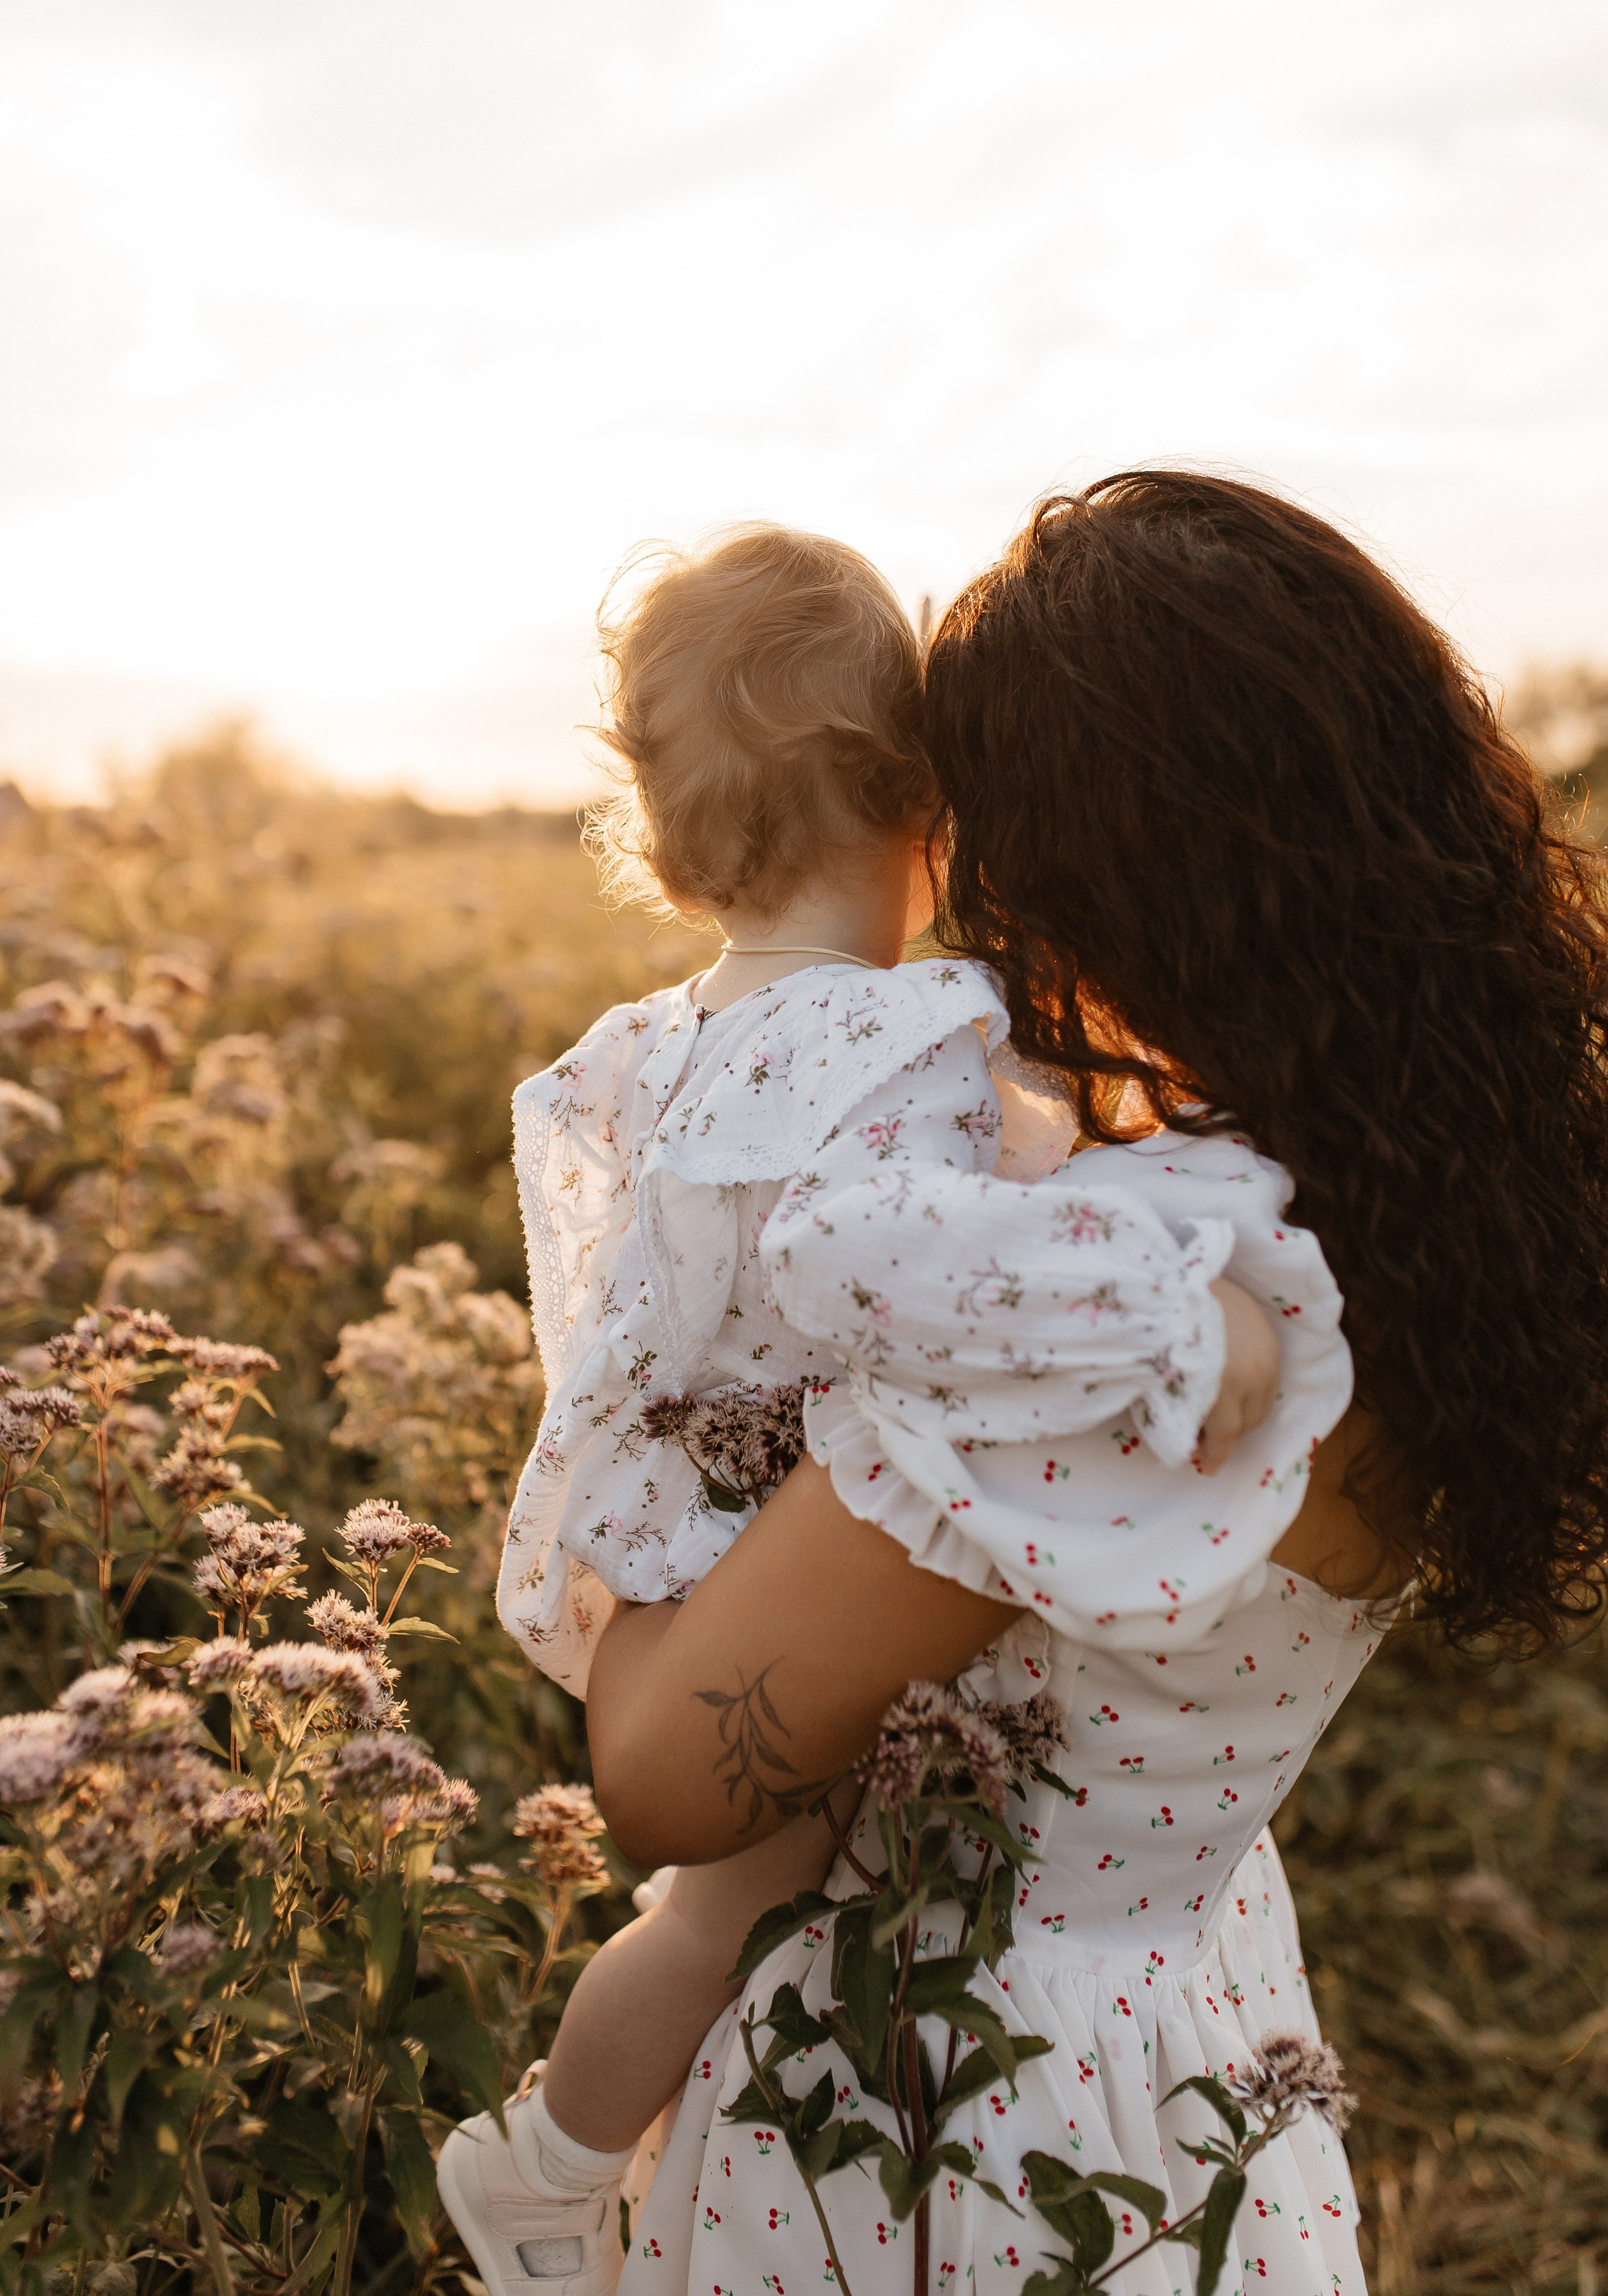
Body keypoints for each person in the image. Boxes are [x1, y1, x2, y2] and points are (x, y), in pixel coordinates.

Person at [582, 475, 1608, 2296]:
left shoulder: (1103, 1316)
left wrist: (624, 1454)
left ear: (1100, 871)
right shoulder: (1435, 1204)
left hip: (932, 2108)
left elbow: (666, 1780)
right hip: (1186, 2039)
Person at [436, 520, 1295, 2294]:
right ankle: (544, 2168)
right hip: (780, 1545)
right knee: (730, 1913)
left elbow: (629, 1271)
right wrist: (1159, 1298)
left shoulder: (656, 1038)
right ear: (921, 810)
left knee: (747, 1915)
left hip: (682, 1535)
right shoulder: (886, 1043)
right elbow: (877, 1254)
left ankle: (635, 2164)